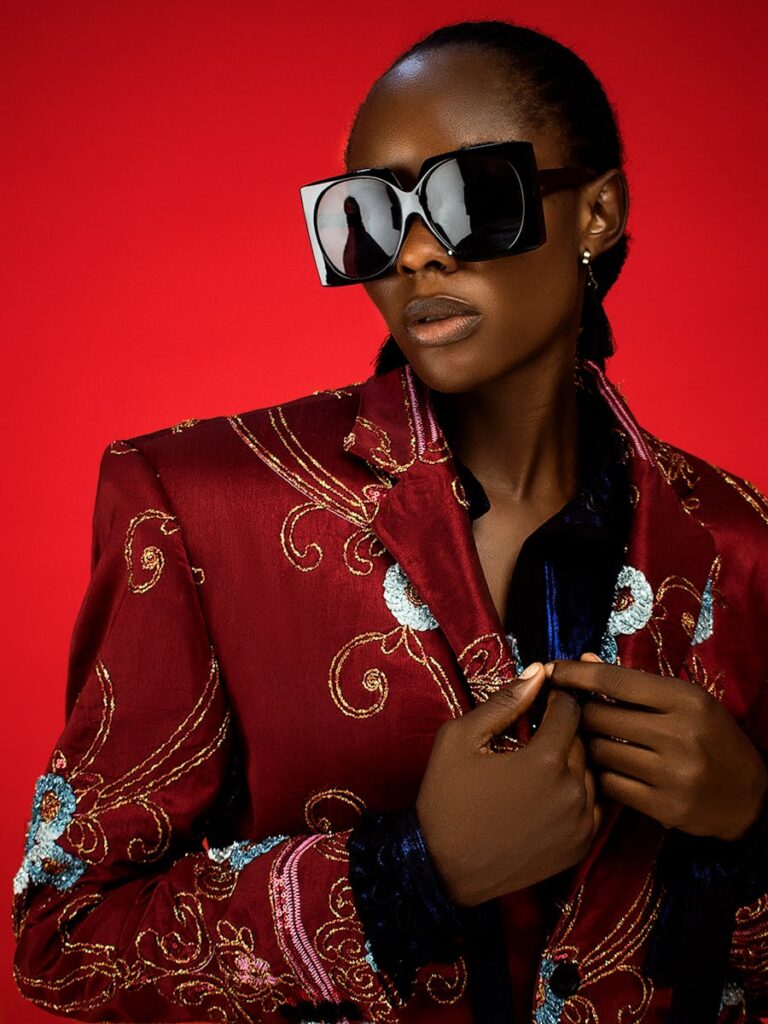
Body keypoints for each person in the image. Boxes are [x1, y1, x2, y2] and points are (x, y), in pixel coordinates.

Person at [12, 18, 768, 1024]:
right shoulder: (195, 505)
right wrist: (408, 873)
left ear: (597, 211)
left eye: (472, 197)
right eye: (368, 214)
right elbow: (63, 938)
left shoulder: (740, 540)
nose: (413, 253)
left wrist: (750, 826)